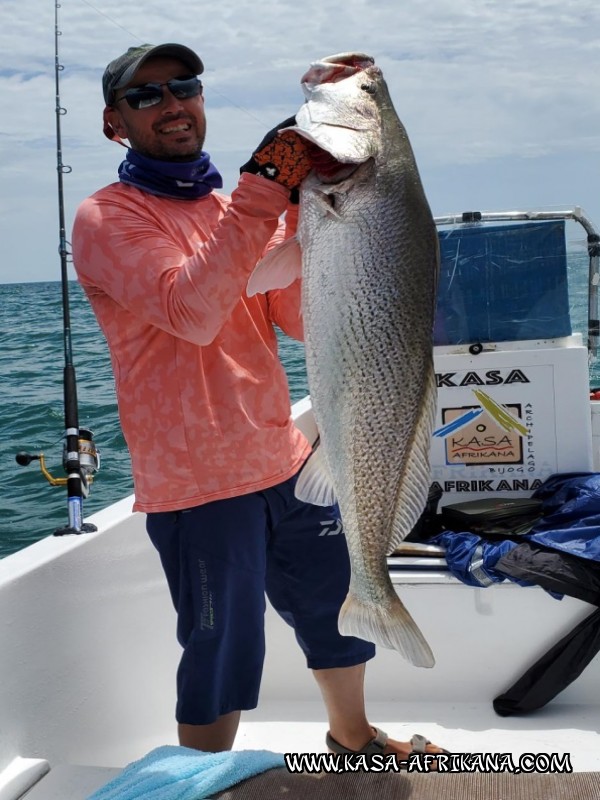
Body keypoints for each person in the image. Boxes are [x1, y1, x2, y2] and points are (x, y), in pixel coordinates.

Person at [72, 42, 447, 761]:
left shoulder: (240, 208)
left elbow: (299, 319)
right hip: (200, 485)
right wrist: (266, 187)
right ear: (114, 123)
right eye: (145, 96)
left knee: (333, 611)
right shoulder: (107, 219)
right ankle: (200, 776)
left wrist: (337, 249)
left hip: (286, 456)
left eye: (183, 85)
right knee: (221, 646)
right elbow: (194, 311)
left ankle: (353, 738)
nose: (172, 103)